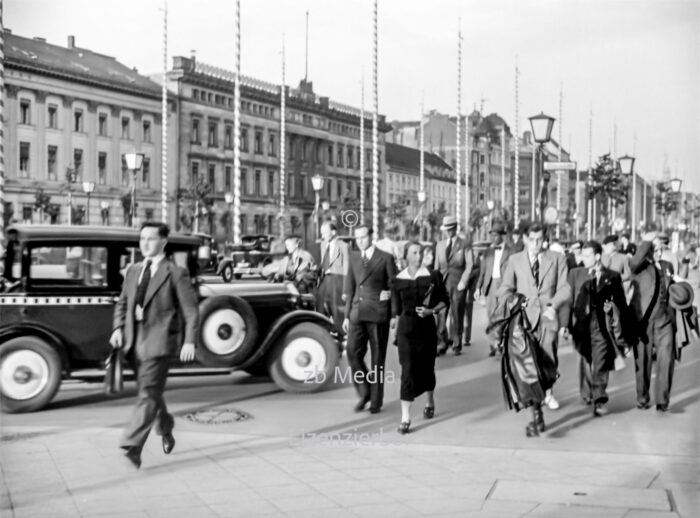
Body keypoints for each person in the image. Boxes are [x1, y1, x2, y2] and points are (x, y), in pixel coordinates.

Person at [110, 222, 199, 469]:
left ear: (163, 242)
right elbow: (122, 303)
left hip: (159, 342)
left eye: (150, 239)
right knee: (151, 393)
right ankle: (166, 428)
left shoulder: (175, 272)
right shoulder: (133, 270)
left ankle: (132, 446)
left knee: (148, 393)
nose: (145, 243)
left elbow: (191, 311)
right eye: (142, 239)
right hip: (133, 342)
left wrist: (189, 341)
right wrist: (117, 328)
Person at [499, 223, 571, 434]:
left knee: (548, 364)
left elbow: (565, 288)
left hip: (548, 320)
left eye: (540, 239)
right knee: (529, 369)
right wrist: (513, 301)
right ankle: (537, 415)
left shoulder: (557, 259)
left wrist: (553, 305)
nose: (536, 244)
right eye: (532, 239)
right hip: (523, 322)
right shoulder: (515, 260)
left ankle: (545, 395)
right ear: (525, 239)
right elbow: (504, 289)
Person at [568, 240, 635, 416]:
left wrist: (625, 331)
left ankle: (599, 399)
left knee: (600, 363)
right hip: (581, 326)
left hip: (601, 326)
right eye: (582, 255)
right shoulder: (575, 273)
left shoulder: (612, 276)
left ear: (597, 256)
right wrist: (565, 325)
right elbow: (569, 301)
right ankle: (586, 394)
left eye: (587, 255)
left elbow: (621, 303)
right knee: (584, 361)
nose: (584, 258)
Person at [391, 241, 448, 434]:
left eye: (421, 252)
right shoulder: (397, 280)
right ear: (406, 255)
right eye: (414, 252)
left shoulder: (432, 276)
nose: (419, 255)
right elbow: (397, 311)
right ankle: (405, 417)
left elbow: (444, 301)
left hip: (426, 329)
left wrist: (431, 310)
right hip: (406, 331)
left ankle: (430, 400)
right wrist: (395, 331)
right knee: (407, 371)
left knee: (427, 368)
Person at [343, 224, 397, 413]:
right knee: (352, 352)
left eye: (363, 237)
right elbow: (349, 287)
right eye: (356, 238)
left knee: (377, 359)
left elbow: (394, 285)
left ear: (371, 236)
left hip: (377, 312)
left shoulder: (385, 258)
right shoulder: (354, 257)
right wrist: (346, 315)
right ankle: (365, 391)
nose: (359, 241)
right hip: (357, 313)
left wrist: (393, 313)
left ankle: (375, 401)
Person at [629, 240, 676, 412]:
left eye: (660, 249)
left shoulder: (667, 266)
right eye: (654, 250)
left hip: (664, 320)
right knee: (643, 359)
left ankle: (663, 400)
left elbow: (673, 288)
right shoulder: (639, 268)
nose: (659, 252)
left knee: (667, 359)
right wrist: (648, 242)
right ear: (647, 252)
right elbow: (634, 261)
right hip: (644, 321)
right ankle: (642, 398)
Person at [435, 215, 474, 354]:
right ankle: (441, 342)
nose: (448, 232)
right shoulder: (439, 245)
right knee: (441, 314)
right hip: (443, 285)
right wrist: (435, 284)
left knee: (457, 313)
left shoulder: (464, 244)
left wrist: (464, 281)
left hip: (458, 284)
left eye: (451, 229)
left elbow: (470, 265)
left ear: (456, 228)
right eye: (447, 229)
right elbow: (436, 268)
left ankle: (457, 343)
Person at [475, 221, 514, 356]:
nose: (493, 238)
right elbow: (482, 271)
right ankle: (493, 344)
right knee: (490, 315)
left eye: (496, 235)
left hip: (504, 285)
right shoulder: (488, 252)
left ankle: (501, 342)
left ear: (502, 236)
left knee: (502, 315)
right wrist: (478, 288)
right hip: (490, 285)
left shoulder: (511, 251)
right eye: (491, 235)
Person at [316, 221, 350, 340]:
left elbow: (346, 268)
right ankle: (324, 333)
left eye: (325, 232)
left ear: (333, 232)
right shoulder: (323, 245)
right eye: (322, 233)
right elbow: (323, 262)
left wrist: (346, 288)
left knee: (337, 309)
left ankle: (342, 335)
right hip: (325, 279)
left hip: (338, 279)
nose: (322, 235)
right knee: (321, 306)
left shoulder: (343, 246)